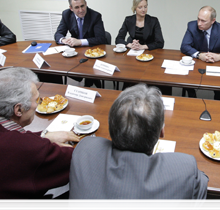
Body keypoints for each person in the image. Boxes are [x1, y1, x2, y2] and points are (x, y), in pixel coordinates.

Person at [68, 83, 208, 210]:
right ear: (161, 132)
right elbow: (199, 185)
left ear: (111, 128)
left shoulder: (85, 148)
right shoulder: (184, 169)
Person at [0, 67, 80, 210]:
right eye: (36, 100)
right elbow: (78, 161)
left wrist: (44, 137)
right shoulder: (25, 148)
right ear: (18, 110)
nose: (38, 104)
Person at [180, 6, 220, 100]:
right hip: (196, 64)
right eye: (198, 19)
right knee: (187, 80)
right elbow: (184, 46)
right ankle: (192, 99)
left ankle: (218, 104)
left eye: (203, 21)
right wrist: (199, 55)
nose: (199, 23)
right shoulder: (192, 26)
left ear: (213, 20)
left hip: (215, 64)